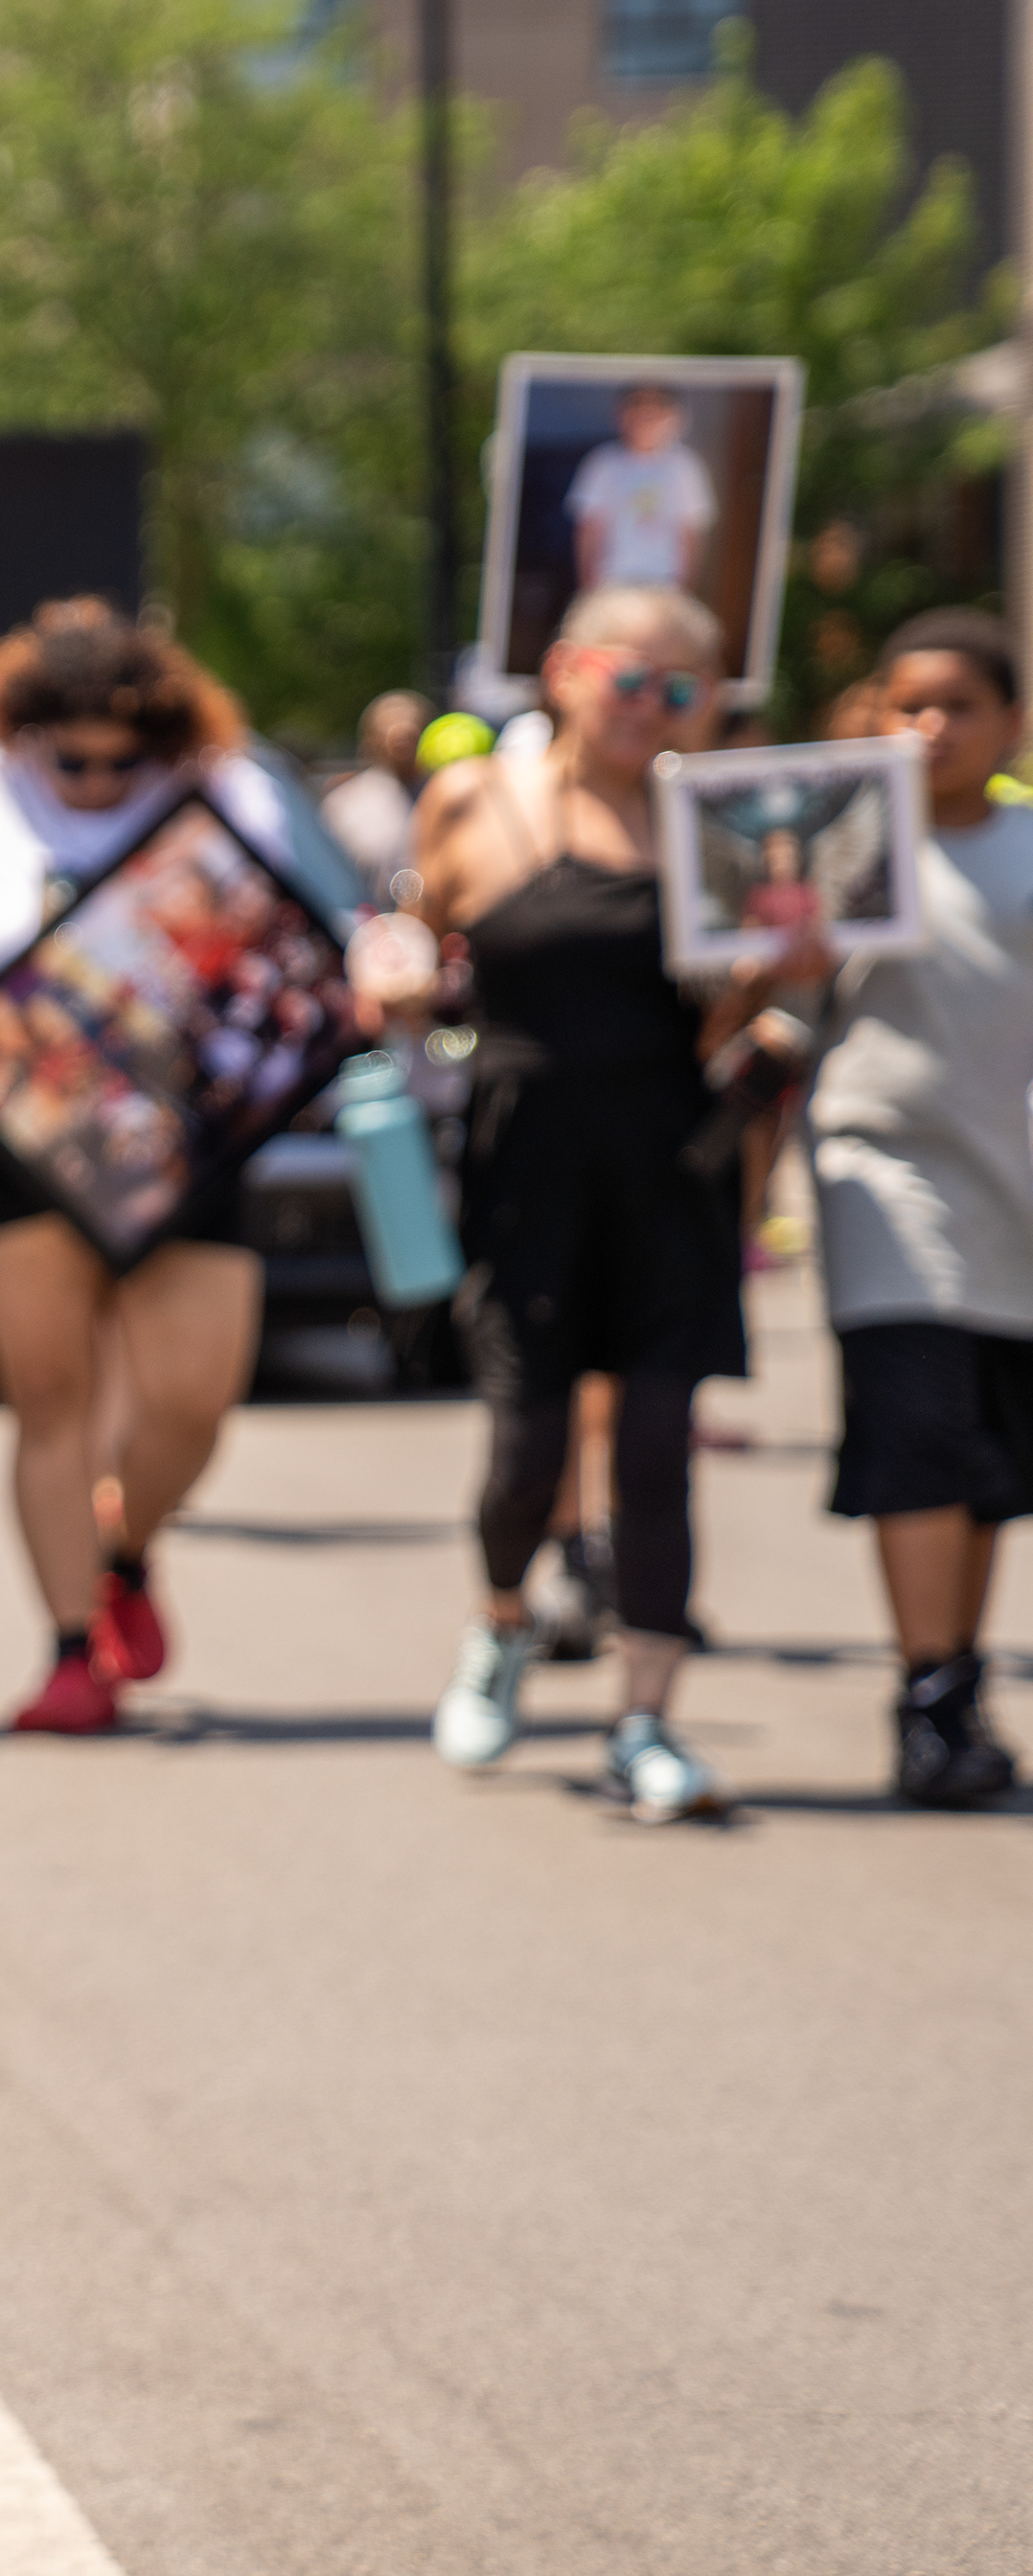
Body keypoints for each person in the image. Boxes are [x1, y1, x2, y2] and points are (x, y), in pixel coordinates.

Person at [378, 583, 799, 1822]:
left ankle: (647, 1719)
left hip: (674, 1166)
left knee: (660, 1447)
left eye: (686, 692)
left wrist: (779, 973)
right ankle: (502, 1626)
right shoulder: (474, 801)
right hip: (528, 1170)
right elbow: (416, 945)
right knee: (527, 1450)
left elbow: (731, 1023)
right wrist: (393, 975)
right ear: (565, 671)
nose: (654, 712)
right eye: (634, 681)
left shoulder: (719, 826)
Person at [0, 600, 299, 1735]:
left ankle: (124, 1548)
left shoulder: (224, 785)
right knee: (48, 1394)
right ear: (20, 733)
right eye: (74, 760)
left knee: (195, 1392)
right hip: (15, 1124)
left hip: (181, 1128)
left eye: (128, 759)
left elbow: (281, 928)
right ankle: (69, 1653)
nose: (103, 780)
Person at [805, 609, 1030, 1806]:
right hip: (884, 1177)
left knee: (989, 1455)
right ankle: (924, 1687)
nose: (931, 727)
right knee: (918, 1430)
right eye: (908, 704)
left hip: (1016, 1196)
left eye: (958, 705)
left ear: (1013, 723)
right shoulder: (843, 849)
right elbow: (768, 1010)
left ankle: (953, 1688)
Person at [570, 381, 716, 594]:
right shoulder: (602, 462)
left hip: (665, 582)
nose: (646, 418)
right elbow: (588, 529)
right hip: (611, 580)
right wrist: (588, 586)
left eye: (656, 410)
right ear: (621, 415)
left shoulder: (685, 466)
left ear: (675, 417)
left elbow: (691, 532)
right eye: (637, 408)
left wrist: (685, 589)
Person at [324, 689, 431, 895]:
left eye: (410, 726)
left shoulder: (451, 795)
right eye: (390, 725)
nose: (401, 732)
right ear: (370, 739)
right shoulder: (345, 803)